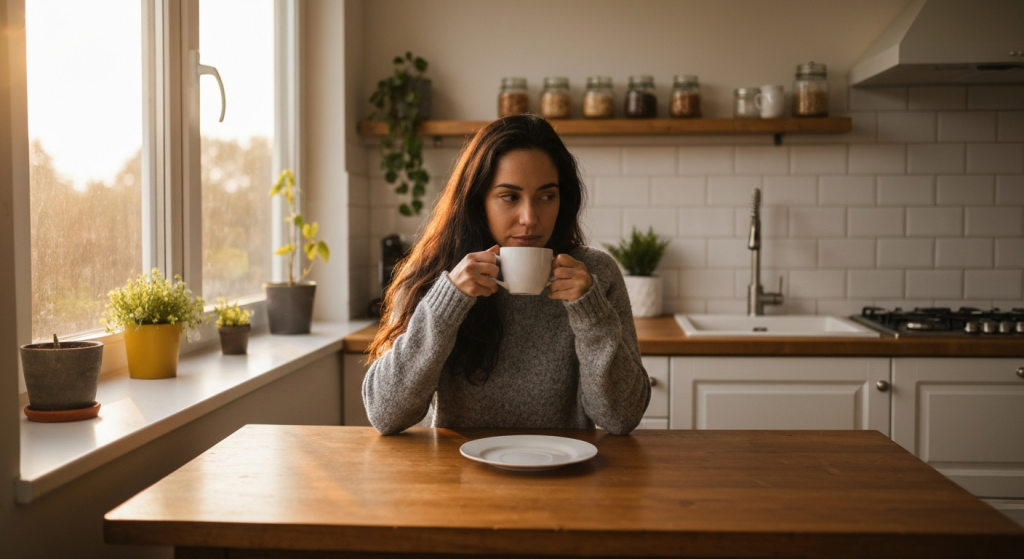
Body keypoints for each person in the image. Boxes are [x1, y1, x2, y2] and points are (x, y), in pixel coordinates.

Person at [364, 114, 650, 435]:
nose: (529, 218)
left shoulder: (595, 275)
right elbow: (385, 414)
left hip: (565, 474)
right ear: (477, 202)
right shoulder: (434, 274)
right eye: (510, 197)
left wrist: (591, 312)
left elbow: (622, 417)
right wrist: (448, 303)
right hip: (458, 476)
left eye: (546, 196)